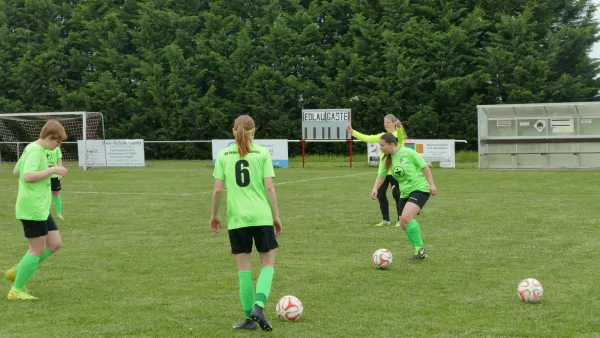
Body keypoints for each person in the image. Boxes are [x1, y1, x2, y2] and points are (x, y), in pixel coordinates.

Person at [210, 114, 282, 332]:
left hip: (237, 220)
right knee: (267, 264)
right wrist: (276, 215)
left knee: (244, 270)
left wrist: (214, 215)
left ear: (234, 131)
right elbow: (269, 187)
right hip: (261, 217)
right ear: (254, 132)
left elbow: (217, 189)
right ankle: (258, 307)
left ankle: (249, 318)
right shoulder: (262, 153)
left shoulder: (223, 154)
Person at [5, 120, 68, 300]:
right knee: (36, 249)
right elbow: (27, 176)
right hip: (32, 207)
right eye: (57, 142)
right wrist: (53, 169)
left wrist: (46, 168)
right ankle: (16, 290)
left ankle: (18, 270)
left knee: (55, 243)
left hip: (40, 207)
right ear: (49, 137)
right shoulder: (35, 150)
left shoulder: (32, 149)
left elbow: (16, 171)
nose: (58, 146)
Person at [370, 133, 437, 260]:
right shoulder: (386, 159)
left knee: (406, 217)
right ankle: (418, 250)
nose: (381, 148)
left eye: (382, 145)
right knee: (403, 224)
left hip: (420, 188)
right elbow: (381, 175)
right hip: (404, 192)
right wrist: (375, 188)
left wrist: (431, 185)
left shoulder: (408, 153)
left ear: (391, 144)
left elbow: (425, 167)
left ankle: (420, 249)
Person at [346, 114, 406, 227]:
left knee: (397, 194)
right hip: (383, 172)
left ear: (393, 123)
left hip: (395, 172)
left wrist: (399, 127)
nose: (385, 124)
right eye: (384, 122)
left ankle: (400, 219)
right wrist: (353, 132)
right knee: (380, 194)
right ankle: (386, 220)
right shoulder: (382, 136)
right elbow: (367, 138)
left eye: (387, 122)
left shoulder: (397, 135)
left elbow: (401, 136)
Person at [46, 145, 64, 219]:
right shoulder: (42, 148)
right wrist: (49, 165)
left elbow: (59, 160)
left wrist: (60, 172)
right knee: (44, 194)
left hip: (54, 175)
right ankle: (45, 213)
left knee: (56, 193)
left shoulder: (56, 148)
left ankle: (59, 214)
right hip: (43, 175)